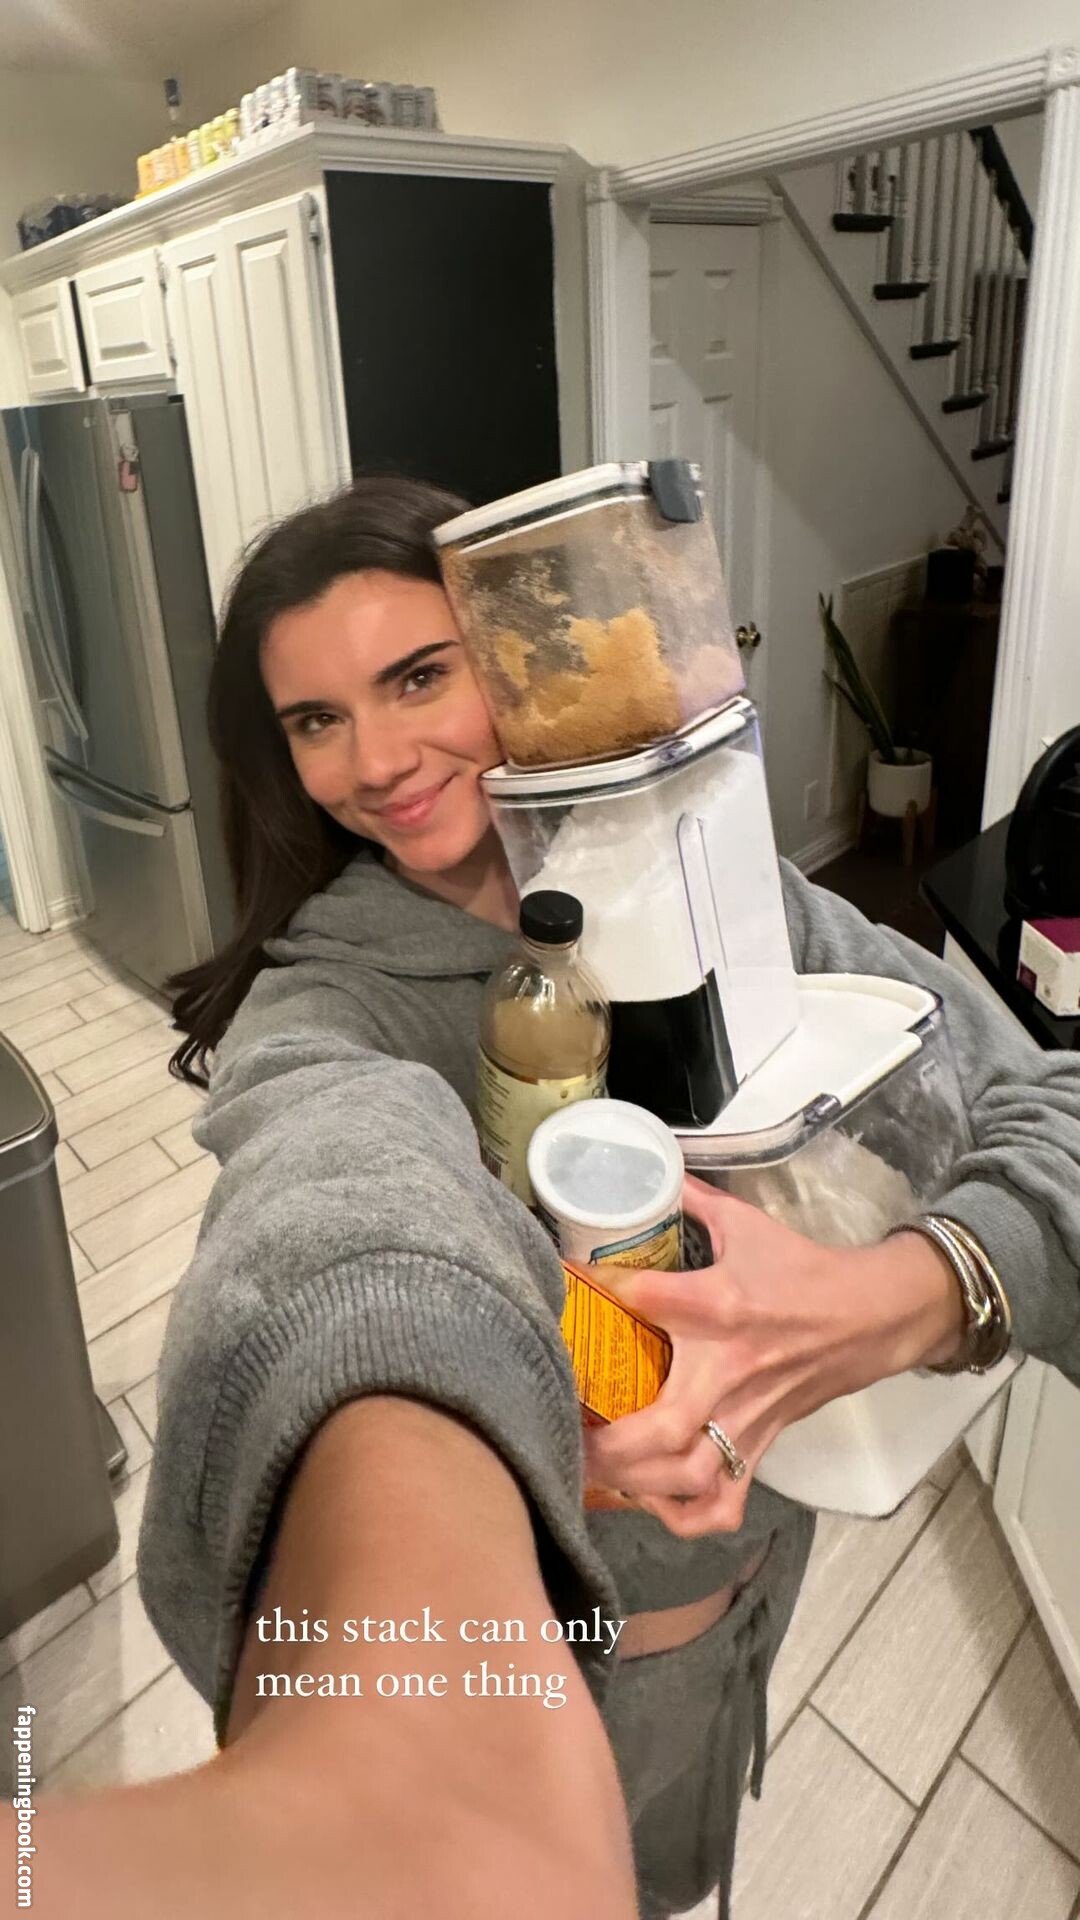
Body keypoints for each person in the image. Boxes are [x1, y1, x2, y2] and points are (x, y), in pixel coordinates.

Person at [14, 477, 1080, 1919]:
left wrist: (922, 1286)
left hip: (771, 1555)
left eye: (418, 677)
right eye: (316, 720)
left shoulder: (705, 883)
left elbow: (1044, 1097)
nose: (376, 761)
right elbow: (338, 1225)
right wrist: (392, 1719)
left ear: (517, 661)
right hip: (596, 1663)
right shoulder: (329, 1011)